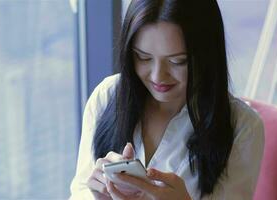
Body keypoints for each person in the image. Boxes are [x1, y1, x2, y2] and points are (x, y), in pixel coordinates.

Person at [69, 0, 264, 199]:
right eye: (143, 57)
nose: (157, 76)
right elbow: (79, 191)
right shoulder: (107, 96)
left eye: (177, 61)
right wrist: (98, 194)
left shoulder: (242, 126)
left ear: (207, 54)